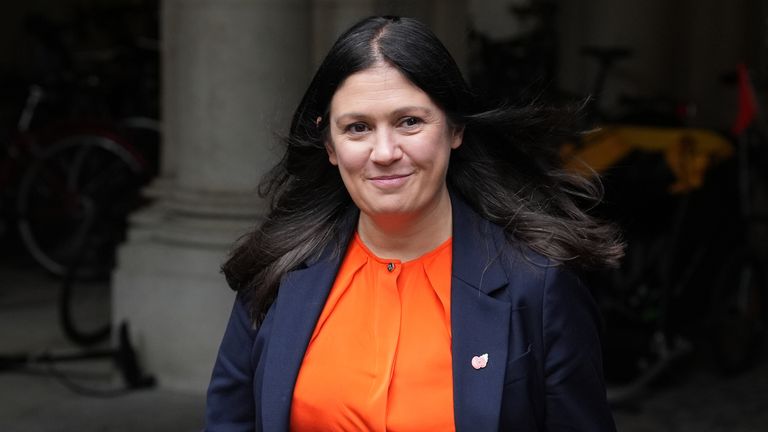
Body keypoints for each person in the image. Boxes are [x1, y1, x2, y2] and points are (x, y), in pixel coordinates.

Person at [205, 15, 623, 432]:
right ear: (329, 145)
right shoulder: (280, 270)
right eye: (357, 128)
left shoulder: (536, 285)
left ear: (455, 128)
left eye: (409, 122)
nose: (385, 152)